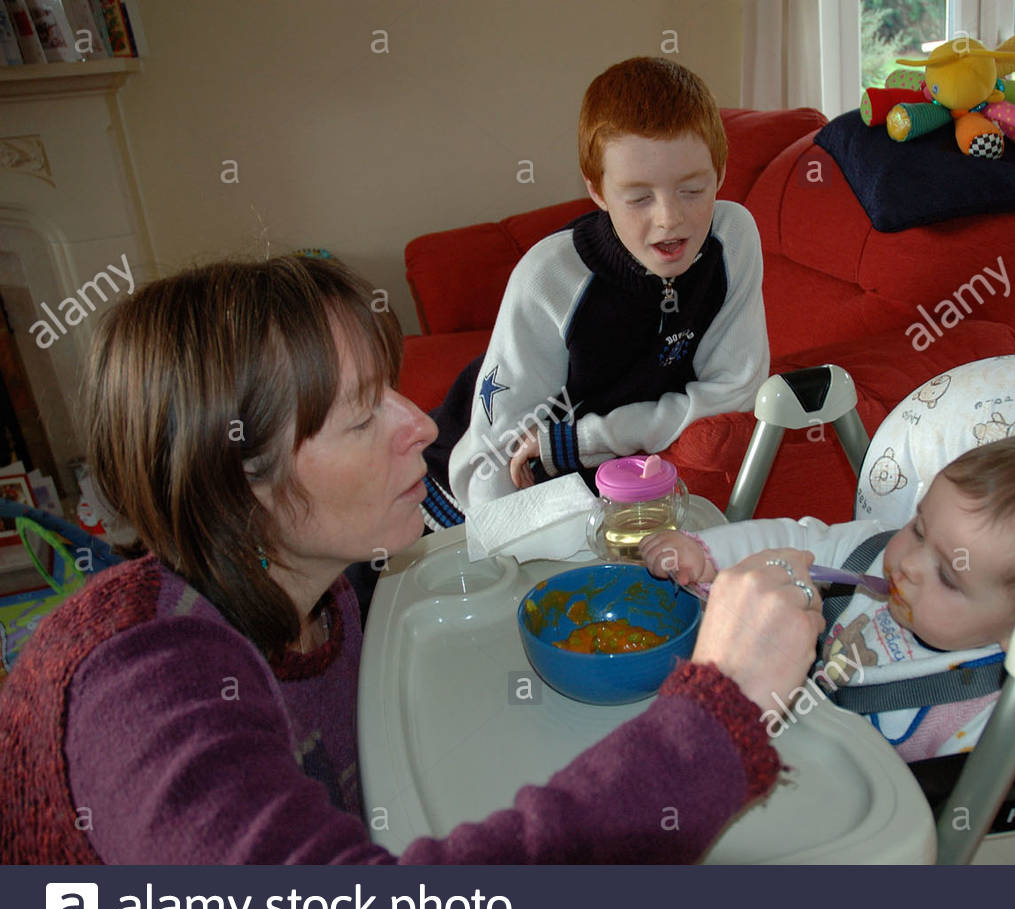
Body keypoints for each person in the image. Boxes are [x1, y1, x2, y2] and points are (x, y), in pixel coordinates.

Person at [0, 256, 821, 864]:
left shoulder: (328, 590)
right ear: (237, 481)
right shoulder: (142, 691)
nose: (425, 429)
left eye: (389, 388)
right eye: (362, 418)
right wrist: (719, 714)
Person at [419, 56, 768, 526]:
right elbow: (491, 468)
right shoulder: (548, 279)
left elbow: (735, 392)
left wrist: (587, 438)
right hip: (456, 494)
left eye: (692, 190)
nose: (669, 218)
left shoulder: (734, 239)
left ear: (721, 174)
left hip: (581, 468)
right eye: (639, 197)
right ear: (598, 191)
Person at [642, 433, 1015, 761]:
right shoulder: (870, 554)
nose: (908, 565)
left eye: (949, 576)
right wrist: (705, 554)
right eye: (919, 528)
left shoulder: (988, 705)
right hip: (757, 739)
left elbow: (980, 800)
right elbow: (792, 544)